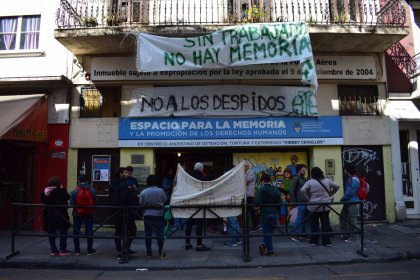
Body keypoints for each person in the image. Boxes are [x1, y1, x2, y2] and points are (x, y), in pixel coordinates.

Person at [301, 167, 340, 247]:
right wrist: (331, 194)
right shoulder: (327, 180)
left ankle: (314, 241)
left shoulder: (310, 182)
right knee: (325, 223)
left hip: (314, 206)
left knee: (314, 223)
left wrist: (308, 198)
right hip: (325, 205)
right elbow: (337, 186)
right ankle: (327, 241)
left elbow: (303, 190)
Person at [109, 167, 137, 260]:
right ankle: (125, 248)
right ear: (121, 173)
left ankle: (119, 251)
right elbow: (126, 197)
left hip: (116, 210)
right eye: (125, 172)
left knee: (118, 231)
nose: (127, 174)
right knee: (132, 229)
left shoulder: (113, 183)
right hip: (125, 210)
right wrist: (131, 190)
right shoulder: (124, 184)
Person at [41, 176, 71, 256]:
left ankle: (54, 250)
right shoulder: (62, 191)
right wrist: (61, 188)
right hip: (61, 215)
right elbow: (68, 197)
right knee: (63, 233)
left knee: (51, 233)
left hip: (50, 216)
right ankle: (63, 250)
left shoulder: (45, 192)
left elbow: (42, 200)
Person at [184, 162, 211, 251]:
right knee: (199, 224)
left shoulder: (189, 175)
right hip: (199, 202)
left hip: (189, 202)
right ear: (201, 168)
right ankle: (199, 245)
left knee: (189, 223)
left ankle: (187, 243)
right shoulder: (202, 176)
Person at [139, 174, 167, 259]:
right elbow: (164, 200)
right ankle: (161, 252)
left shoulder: (144, 192)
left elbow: (141, 203)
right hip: (158, 215)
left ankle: (149, 254)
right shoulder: (160, 191)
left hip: (147, 215)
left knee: (148, 235)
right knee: (159, 235)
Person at [69, 174, 98, 256]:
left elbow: (71, 204)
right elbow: (95, 202)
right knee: (89, 231)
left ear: (78, 180)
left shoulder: (75, 190)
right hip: (89, 213)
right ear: (87, 181)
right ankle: (90, 250)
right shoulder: (92, 190)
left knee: (76, 231)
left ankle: (77, 250)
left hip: (77, 213)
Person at [256, 173, 281, 256]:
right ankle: (266, 246)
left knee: (267, 232)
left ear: (262, 180)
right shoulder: (275, 189)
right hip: (274, 212)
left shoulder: (260, 190)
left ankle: (268, 249)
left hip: (264, 213)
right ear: (270, 180)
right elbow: (279, 201)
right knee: (271, 230)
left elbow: (258, 202)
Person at [340, 164, 360, 243]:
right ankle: (345, 234)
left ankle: (353, 237)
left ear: (347, 169)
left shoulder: (354, 179)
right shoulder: (351, 178)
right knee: (342, 217)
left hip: (352, 202)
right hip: (348, 201)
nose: (344, 170)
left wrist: (343, 198)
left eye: (344, 169)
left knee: (352, 220)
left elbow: (351, 191)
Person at [223, 164, 242, 247]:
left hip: (230, 201)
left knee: (231, 222)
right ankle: (237, 239)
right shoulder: (236, 178)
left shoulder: (229, 179)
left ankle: (232, 241)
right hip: (236, 201)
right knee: (235, 221)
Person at [289, 164, 308, 241]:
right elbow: (291, 190)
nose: (305, 172)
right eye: (303, 170)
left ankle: (302, 234)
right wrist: (294, 201)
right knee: (300, 218)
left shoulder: (304, 179)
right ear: (299, 170)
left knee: (305, 218)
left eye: (305, 170)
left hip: (306, 202)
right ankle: (295, 234)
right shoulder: (296, 178)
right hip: (300, 202)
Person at [245, 161, 259, 232]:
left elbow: (245, 182)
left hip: (249, 194)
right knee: (247, 210)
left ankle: (255, 226)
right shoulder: (245, 172)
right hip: (245, 195)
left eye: (244, 166)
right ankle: (249, 226)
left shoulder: (251, 172)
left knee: (251, 210)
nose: (243, 168)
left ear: (247, 166)